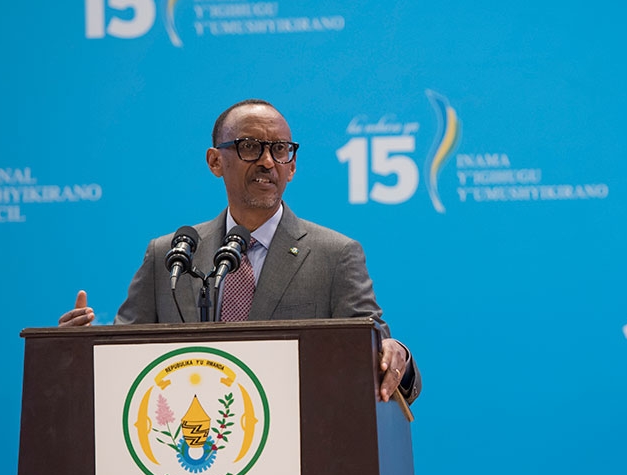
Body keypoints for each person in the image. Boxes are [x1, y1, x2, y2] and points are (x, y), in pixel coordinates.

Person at [59, 99, 421, 404]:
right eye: (250, 146)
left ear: (292, 166)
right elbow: (125, 357)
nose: (267, 161)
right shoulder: (169, 255)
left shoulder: (334, 255)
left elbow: (376, 351)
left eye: (280, 150)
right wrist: (79, 348)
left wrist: (397, 354)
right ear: (215, 162)